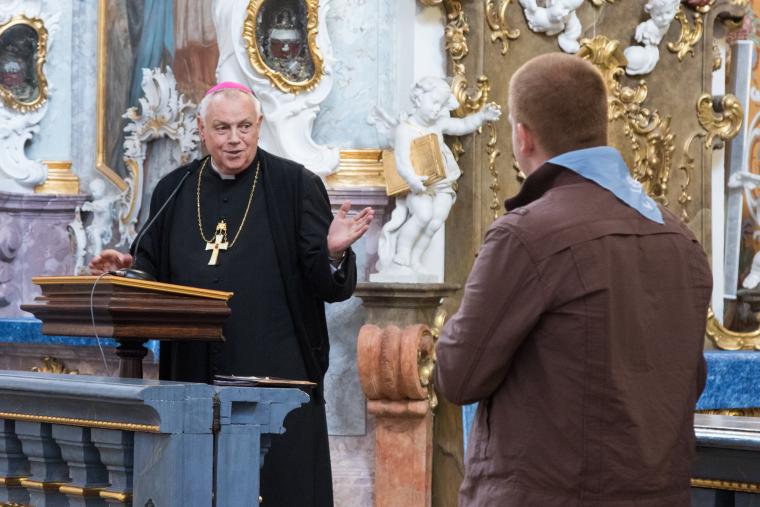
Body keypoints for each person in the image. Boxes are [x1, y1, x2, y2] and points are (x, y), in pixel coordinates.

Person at [433, 53, 712, 506]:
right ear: (602, 127)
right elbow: (687, 381)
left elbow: (459, 376)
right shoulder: (681, 239)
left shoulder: (526, 236)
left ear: (523, 137)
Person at [89, 81, 374, 506]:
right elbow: (151, 268)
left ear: (259, 125)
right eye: (222, 128)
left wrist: (332, 253)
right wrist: (128, 273)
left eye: (244, 126)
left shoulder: (295, 186)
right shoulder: (174, 189)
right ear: (201, 130)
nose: (235, 139)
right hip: (192, 377)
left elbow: (328, 288)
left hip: (278, 379)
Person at [376, 77, 500, 276]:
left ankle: (416, 258)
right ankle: (402, 253)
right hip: (419, 186)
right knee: (423, 215)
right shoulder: (405, 130)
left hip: (443, 183)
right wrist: (413, 180)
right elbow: (401, 162)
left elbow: (462, 125)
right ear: (418, 98)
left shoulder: (438, 124)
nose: (437, 109)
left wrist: (482, 116)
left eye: (441, 105)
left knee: (435, 221)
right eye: (434, 102)